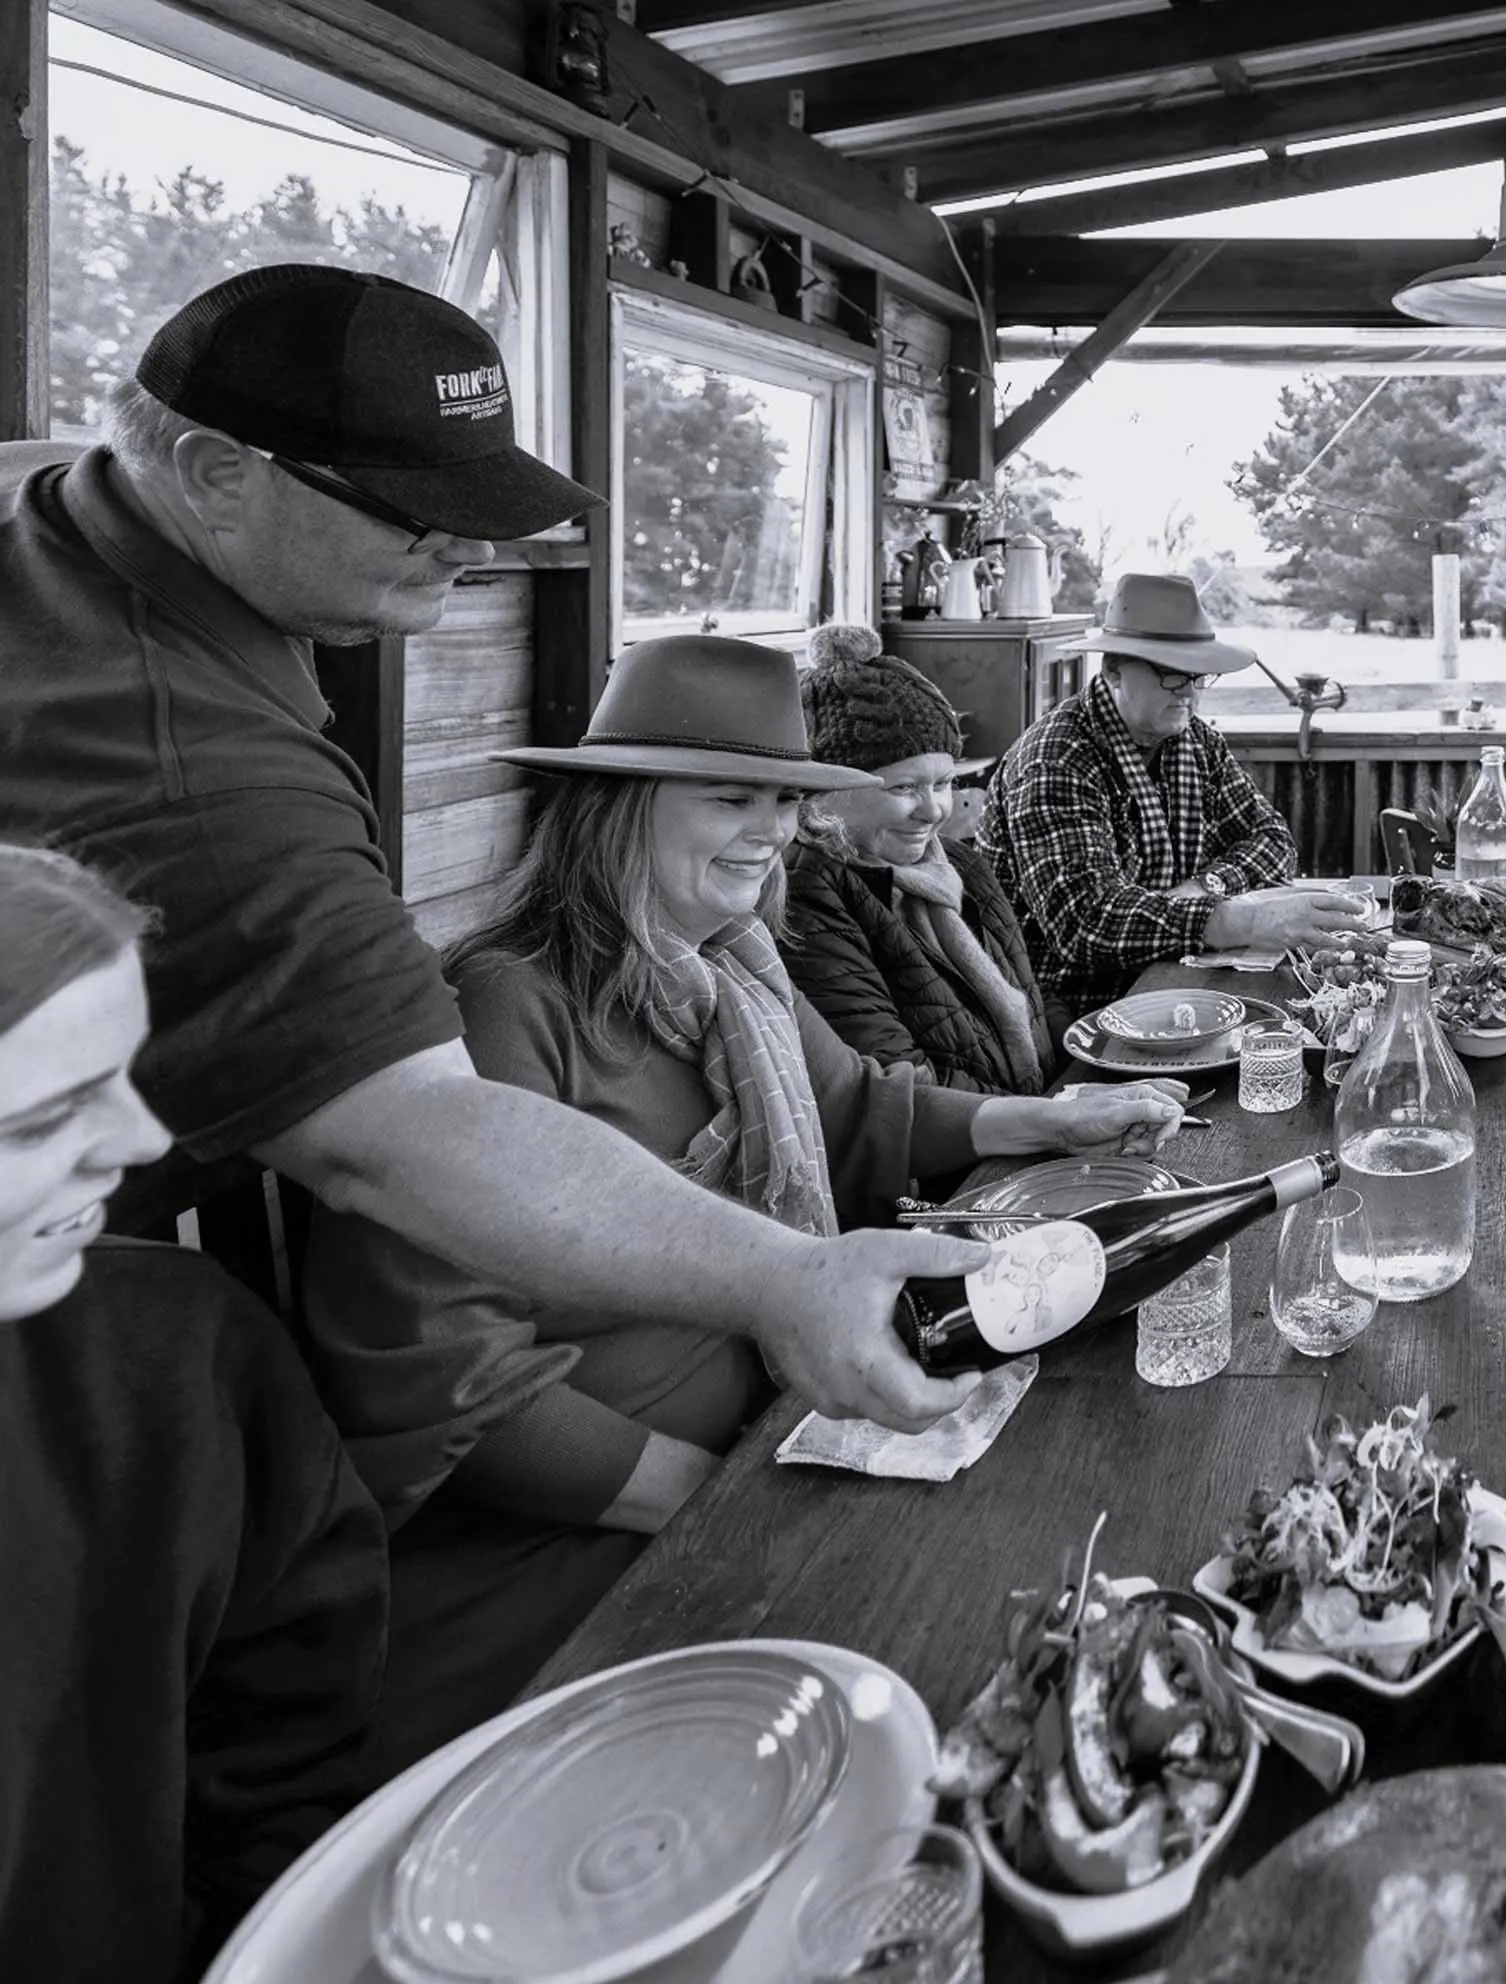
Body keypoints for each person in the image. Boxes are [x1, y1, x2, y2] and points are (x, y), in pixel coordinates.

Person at [0, 263, 989, 1438]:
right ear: (219, 474)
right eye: (421, 513)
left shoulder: (81, 514)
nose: (471, 551)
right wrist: (786, 1278)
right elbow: (407, 1142)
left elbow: (859, 1101)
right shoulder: (202, 773)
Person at [299, 633, 1183, 1773]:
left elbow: (864, 1107)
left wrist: (1056, 1120)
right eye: (730, 796)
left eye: (782, 798)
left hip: (768, 1440)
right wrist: (718, 1503)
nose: (769, 828)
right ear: (615, 808)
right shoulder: (504, 1005)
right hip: (566, 1553)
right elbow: (449, 1385)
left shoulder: (734, 970)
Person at [0, 844, 385, 1980]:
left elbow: (288, 1745)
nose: (142, 1142)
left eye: (125, 1072)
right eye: (43, 1116)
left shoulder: (179, 1361)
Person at [989, 571, 1360, 1012]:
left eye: (1197, 676)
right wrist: (1243, 920)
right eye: (1170, 674)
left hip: (1175, 969)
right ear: (1112, 670)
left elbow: (1272, 841)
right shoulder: (1056, 758)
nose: (1188, 692)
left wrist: (1206, 886)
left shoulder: (1196, 740)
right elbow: (1086, 923)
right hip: (1066, 1000)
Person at [785, 623, 1059, 1094]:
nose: (933, 811)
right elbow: (902, 1087)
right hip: (966, 1155)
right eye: (904, 787)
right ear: (829, 789)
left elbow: (1028, 998)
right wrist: (1051, 1118)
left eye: (943, 783)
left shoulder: (956, 866)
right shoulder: (806, 892)